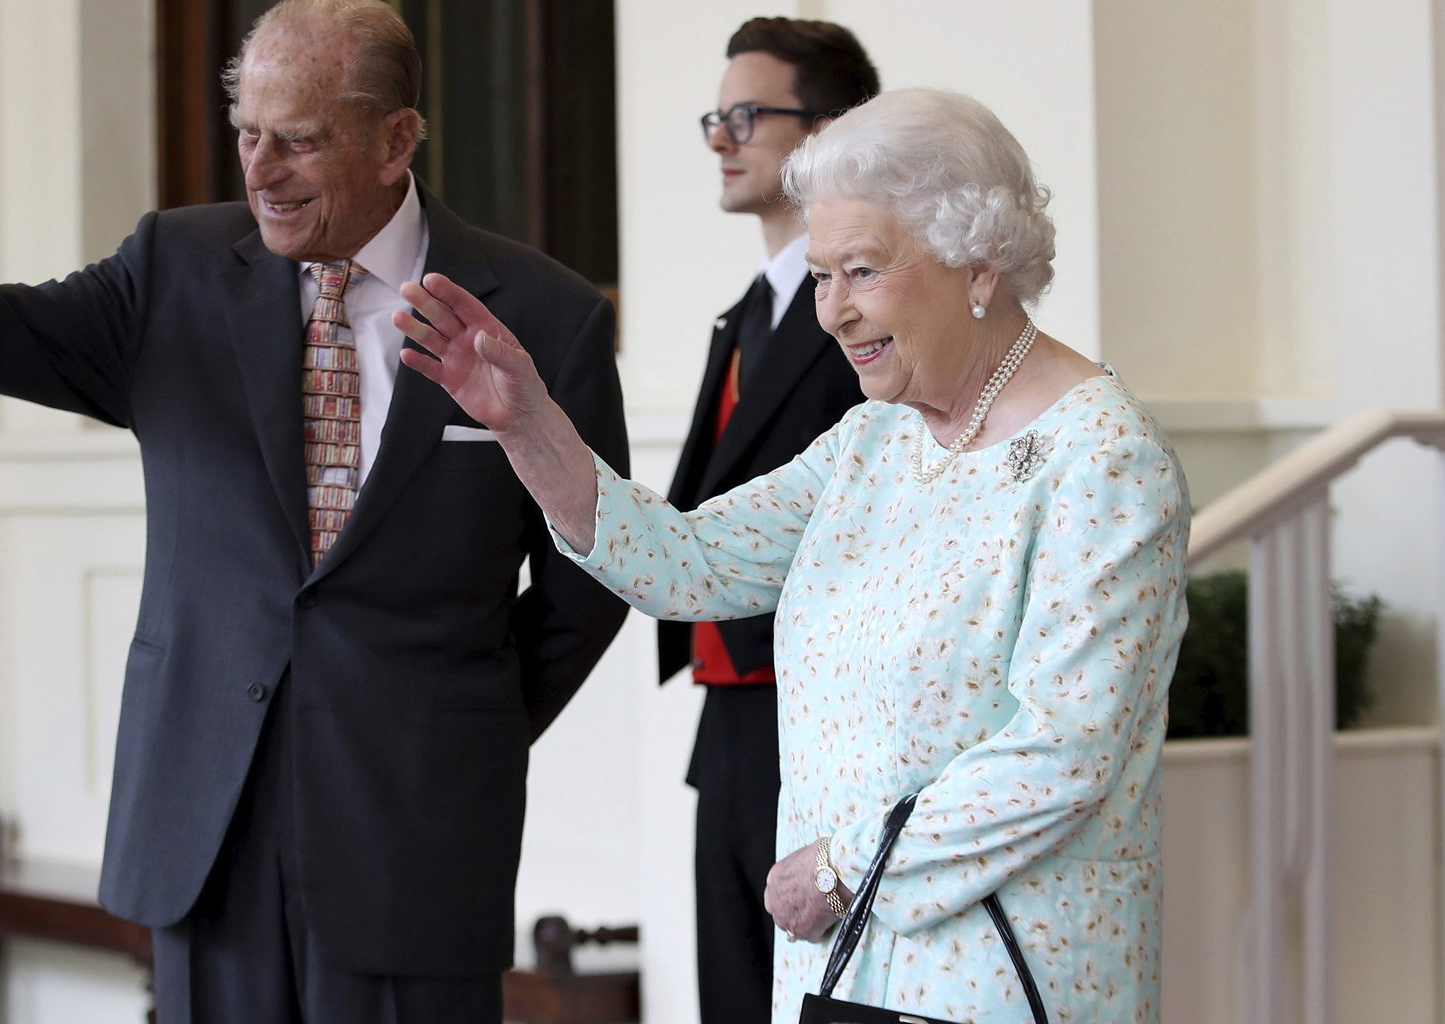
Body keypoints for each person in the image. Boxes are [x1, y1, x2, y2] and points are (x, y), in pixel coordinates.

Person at [0, 0, 629, 1023]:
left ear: (396, 139)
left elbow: (590, 580)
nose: (260, 170)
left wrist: (466, 724)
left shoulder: (545, 317)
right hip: (206, 829)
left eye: (298, 141)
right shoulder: (173, 271)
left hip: (415, 831)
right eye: (246, 135)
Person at [395, 88, 1190, 1022]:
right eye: (820, 277)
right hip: (843, 963)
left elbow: (1066, 749)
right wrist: (529, 426)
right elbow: (685, 561)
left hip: (1004, 967)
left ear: (977, 264)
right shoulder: (872, 444)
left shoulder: (1103, 461)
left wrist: (845, 869)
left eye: (860, 271)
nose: (833, 313)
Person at [672, 17, 872, 1024]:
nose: (722, 135)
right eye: (718, 115)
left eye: (748, 115)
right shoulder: (744, 315)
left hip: (818, 716)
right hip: (730, 717)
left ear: (830, 132)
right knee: (730, 1000)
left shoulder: (869, 315)